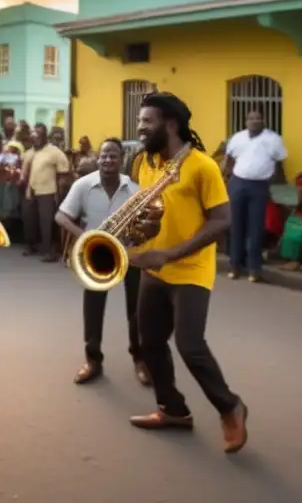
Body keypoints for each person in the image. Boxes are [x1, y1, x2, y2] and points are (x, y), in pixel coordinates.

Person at [126, 92, 248, 453]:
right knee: (149, 342)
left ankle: (231, 407)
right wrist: (139, 237)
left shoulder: (201, 166)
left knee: (189, 345)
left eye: (147, 121)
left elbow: (222, 221)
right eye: (140, 120)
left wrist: (171, 253)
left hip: (191, 269)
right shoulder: (144, 163)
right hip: (154, 268)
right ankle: (173, 410)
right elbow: (149, 214)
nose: (140, 127)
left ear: (171, 124)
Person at [55, 138, 150, 386]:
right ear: (98, 159)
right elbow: (61, 216)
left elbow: (148, 224)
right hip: (95, 254)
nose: (108, 159)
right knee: (93, 309)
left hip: (129, 253)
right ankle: (93, 361)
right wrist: (85, 236)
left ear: (121, 160)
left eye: (113, 156)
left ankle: (140, 360)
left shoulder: (135, 189)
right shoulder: (83, 185)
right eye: (104, 155)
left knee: (137, 310)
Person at [223, 109, 287, 282]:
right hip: (237, 184)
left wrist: (273, 185)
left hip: (259, 186)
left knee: (256, 228)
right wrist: (227, 179)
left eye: (258, 118)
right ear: (246, 121)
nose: (254, 121)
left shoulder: (273, 139)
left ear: (264, 120)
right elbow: (228, 159)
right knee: (236, 226)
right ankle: (235, 266)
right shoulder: (238, 138)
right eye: (251, 118)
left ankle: (254, 269)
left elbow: (279, 165)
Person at [21, 123, 71, 262]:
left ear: (44, 136)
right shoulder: (29, 153)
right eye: (34, 134)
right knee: (29, 219)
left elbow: (64, 170)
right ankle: (31, 246)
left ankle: (49, 251)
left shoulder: (54, 151)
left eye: (39, 134)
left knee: (46, 221)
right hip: (30, 191)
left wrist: (60, 191)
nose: (36, 137)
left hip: (48, 191)